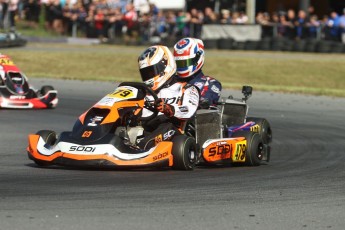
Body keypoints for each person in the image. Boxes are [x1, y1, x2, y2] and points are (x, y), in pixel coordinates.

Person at [136, 45, 200, 150]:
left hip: (173, 131)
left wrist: (169, 109)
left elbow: (188, 109)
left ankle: (143, 148)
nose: (148, 77)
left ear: (165, 66)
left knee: (166, 127)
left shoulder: (186, 88)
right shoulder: (144, 92)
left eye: (151, 72)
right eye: (145, 74)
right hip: (146, 128)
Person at [173, 37, 221, 109]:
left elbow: (203, 102)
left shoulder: (210, 83)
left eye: (186, 62)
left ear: (198, 59)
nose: (182, 66)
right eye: (179, 63)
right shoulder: (171, 80)